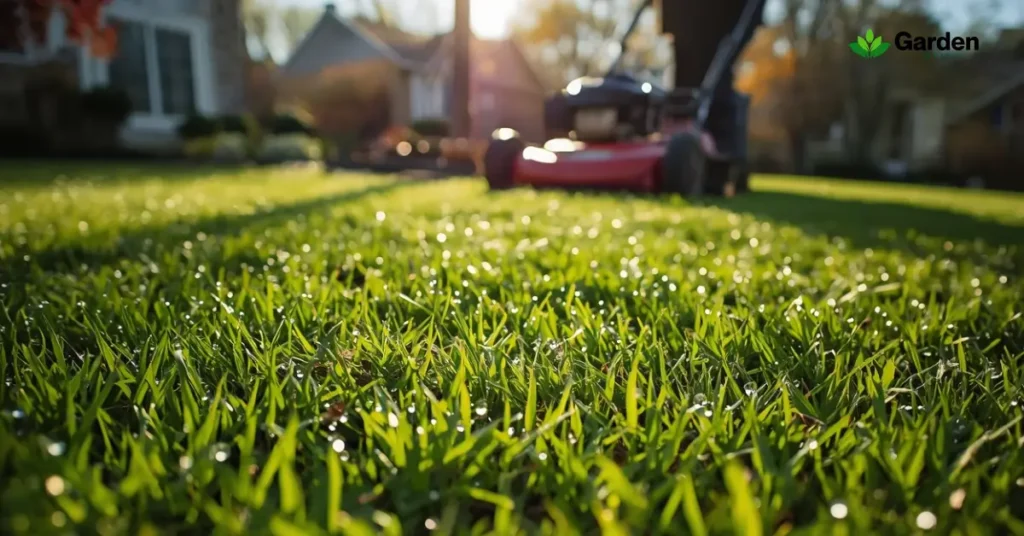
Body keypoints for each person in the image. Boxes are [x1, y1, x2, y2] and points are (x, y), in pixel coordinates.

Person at [661, 0, 767, 158]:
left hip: (729, 15)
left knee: (718, 76)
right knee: (684, 77)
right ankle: (679, 133)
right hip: (683, 13)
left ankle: (718, 152)